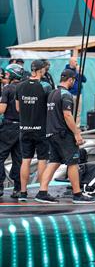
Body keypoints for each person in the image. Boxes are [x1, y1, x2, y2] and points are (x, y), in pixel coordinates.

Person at [33, 69, 93, 204]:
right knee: (73, 162)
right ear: (71, 80)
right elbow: (67, 115)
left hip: (51, 133)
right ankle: (77, 194)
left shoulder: (52, 93)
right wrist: (77, 133)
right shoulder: (66, 95)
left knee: (54, 162)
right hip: (63, 134)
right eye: (74, 81)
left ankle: (42, 192)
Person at [15, 59, 52, 200]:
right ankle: (42, 192)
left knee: (25, 160)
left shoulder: (19, 86)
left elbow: (18, 108)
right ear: (41, 70)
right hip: (40, 129)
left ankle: (23, 193)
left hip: (24, 128)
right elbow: (50, 108)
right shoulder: (45, 86)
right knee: (42, 160)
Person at [0, 63, 24, 198]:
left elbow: (2, 109)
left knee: (0, 156)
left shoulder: (8, 89)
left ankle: (0, 186)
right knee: (18, 159)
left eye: (8, 74)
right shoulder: (24, 88)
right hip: (22, 127)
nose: (5, 76)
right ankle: (18, 188)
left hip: (8, 128)